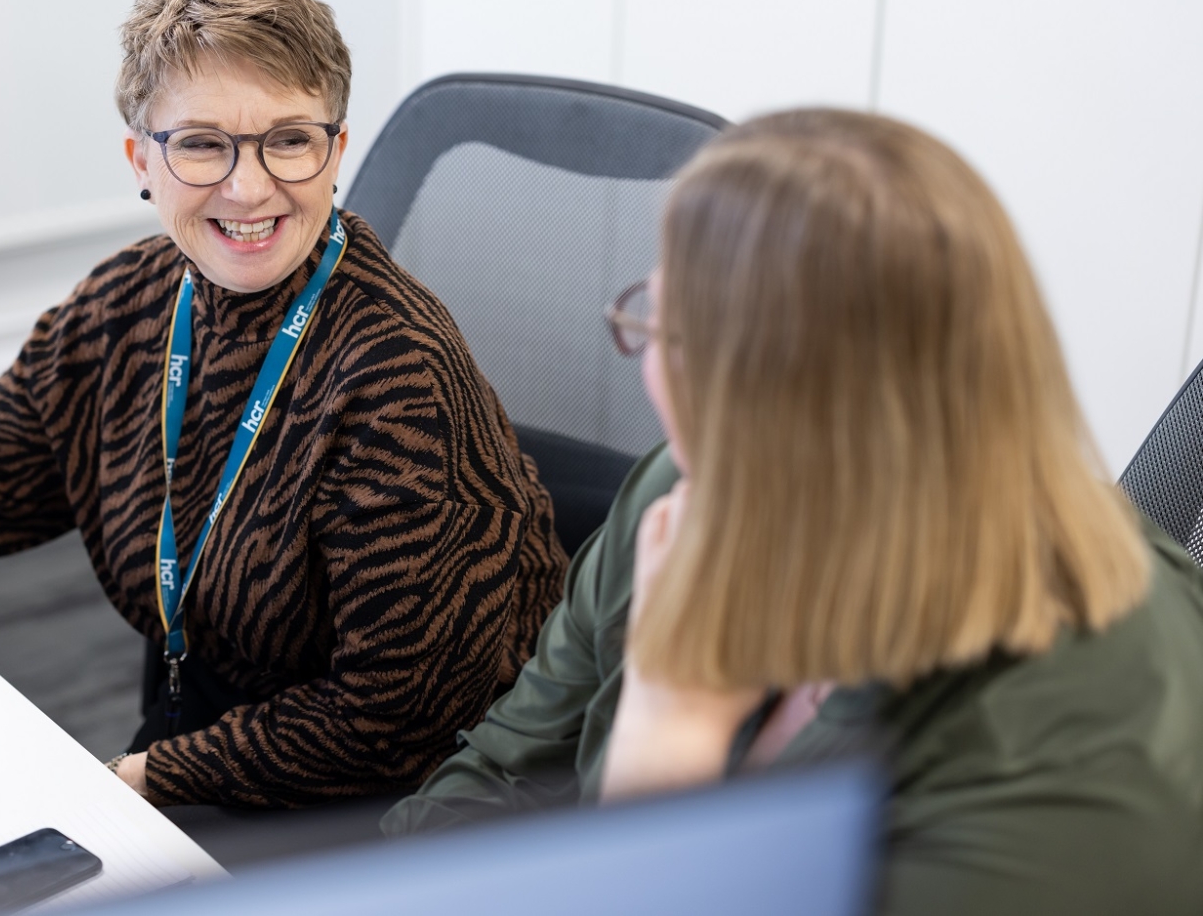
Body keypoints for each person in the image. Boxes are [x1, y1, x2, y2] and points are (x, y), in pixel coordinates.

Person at [0, 0, 568, 809]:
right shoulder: (131, 299)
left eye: (289, 139)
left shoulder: (394, 378)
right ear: (142, 156)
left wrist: (136, 778)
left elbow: (391, 720)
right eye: (203, 143)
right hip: (219, 727)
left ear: (336, 152)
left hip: (407, 796)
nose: (249, 187)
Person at [385, 109, 1203, 913]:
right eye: (651, 313)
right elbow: (499, 771)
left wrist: (666, 744)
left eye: (673, 334)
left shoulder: (1076, 759)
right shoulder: (687, 491)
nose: (655, 375)